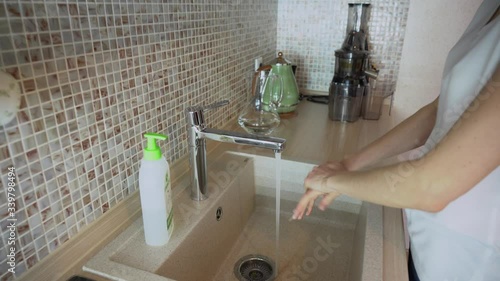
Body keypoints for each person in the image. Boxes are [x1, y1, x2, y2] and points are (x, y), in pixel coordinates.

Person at [292, 0, 500, 280]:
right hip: (428, 246)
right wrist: (349, 164)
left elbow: (431, 187)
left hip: (468, 263)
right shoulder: (489, 8)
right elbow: (438, 111)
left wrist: (331, 181)